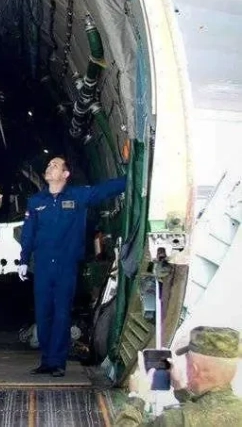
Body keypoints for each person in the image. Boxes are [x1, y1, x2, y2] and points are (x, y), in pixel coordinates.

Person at [18, 156, 126, 376]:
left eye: (55, 165)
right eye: (49, 164)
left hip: (66, 266)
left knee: (61, 314)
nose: (49, 167)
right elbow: (28, 233)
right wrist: (23, 259)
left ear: (65, 174)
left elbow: (103, 190)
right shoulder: (36, 201)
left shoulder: (77, 196)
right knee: (43, 314)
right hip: (43, 266)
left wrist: (131, 177)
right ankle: (46, 360)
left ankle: (58, 362)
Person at [114, 326, 242, 426]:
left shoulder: (174, 420)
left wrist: (137, 397)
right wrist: (180, 388)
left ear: (194, 370)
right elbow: (206, 413)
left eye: (188, 363)